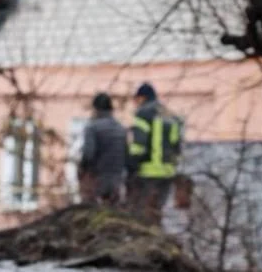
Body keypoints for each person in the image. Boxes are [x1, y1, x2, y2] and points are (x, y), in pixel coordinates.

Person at [127, 82, 183, 224]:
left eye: (136, 99)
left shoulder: (143, 113)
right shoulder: (170, 116)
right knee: (158, 209)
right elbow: (176, 146)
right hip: (168, 172)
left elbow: (139, 146)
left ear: (142, 98)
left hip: (148, 172)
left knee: (144, 213)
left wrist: (131, 165)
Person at [78, 92, 128, 206]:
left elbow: (88, 154)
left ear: (95, 109)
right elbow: (126, 154)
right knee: (113, 213)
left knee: (92, 211)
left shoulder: (92, 127)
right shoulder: (120, 128)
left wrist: (83, 169)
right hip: (117, 178)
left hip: (98, 177)